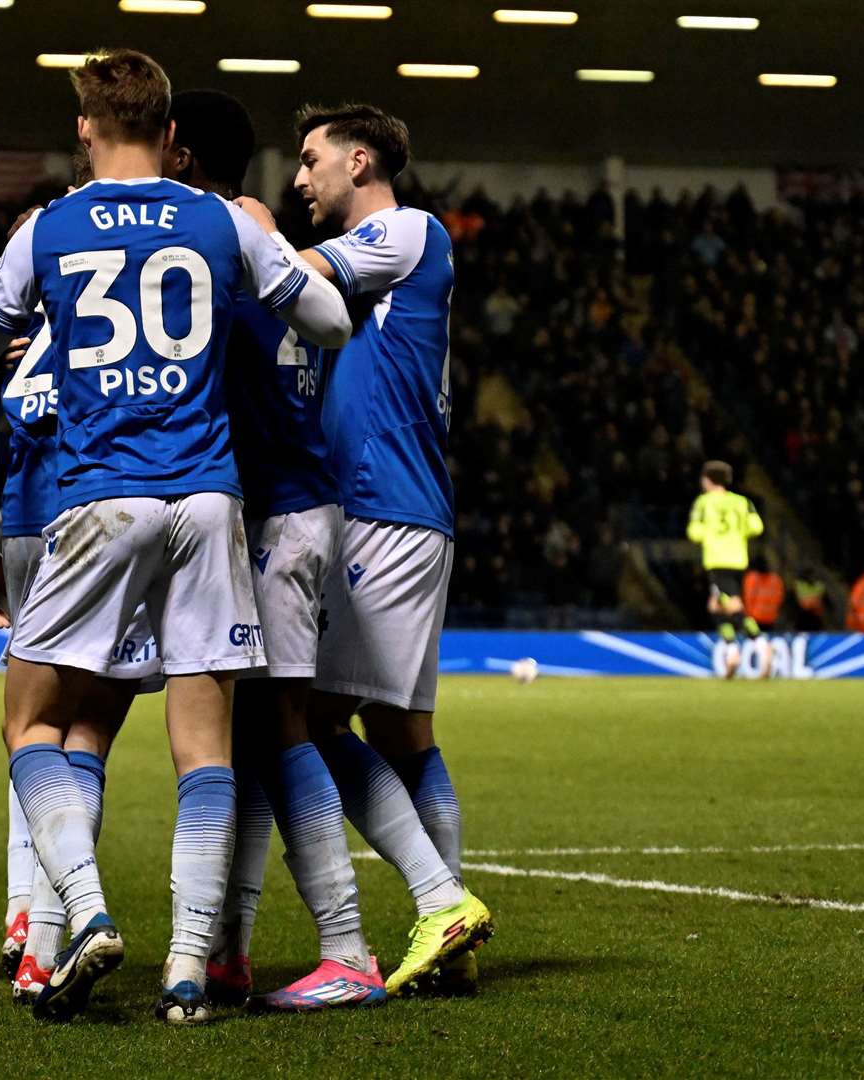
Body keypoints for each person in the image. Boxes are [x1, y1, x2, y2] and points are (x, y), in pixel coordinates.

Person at [0, 49, 351, 1024]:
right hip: (209, 502)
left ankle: (83, 910)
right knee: (203, 749)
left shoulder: (50, 225)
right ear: (170, 134)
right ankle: (184, 970)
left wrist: (20, 327)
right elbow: (331, 319)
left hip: (97, 501)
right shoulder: (219, 220)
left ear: (85, 128)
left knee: (31, 722)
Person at [235, 102, 494, 995]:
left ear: (358, 161)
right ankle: (450, 928)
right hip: (404, 508)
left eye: (309, 162)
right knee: (401, 729)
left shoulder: (405, 232)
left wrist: (240, 222)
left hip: (384, 509)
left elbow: (286, 274)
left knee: (306, 722)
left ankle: (434, 904)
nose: (299, 179)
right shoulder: (389, 261)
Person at [161, 88, 384, 1012]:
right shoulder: (272, 250)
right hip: (296, 500)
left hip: (281, 510)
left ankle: (348, 945)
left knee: (281, 728)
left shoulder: (221, 244)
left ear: (177, 148)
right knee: (254, 731)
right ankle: (230, 949)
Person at [0, 151, 166, 1004]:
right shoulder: (117, 315)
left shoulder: (7, 341)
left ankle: (25, 916)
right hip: (111, 517)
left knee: (29, 724)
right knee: (83, 735)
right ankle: (48, 932)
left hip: (27, 527)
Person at [685, 460, 766, 677]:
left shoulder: (703, 502)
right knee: (715, 606)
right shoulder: (743, 501)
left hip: (717, 559)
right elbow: (757, 527)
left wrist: (711, 534)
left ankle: (759, 642)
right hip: (738, 559)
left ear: (709, 479)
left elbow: (694, 532)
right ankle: (731, 651)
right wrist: (737, 534)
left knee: (731, 605)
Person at [742, 558, 784, 634]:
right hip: (770, 620)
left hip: (754, 621)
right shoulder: (776, 579)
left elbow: (748, 599)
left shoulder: (752, 578)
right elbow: (780, 599)